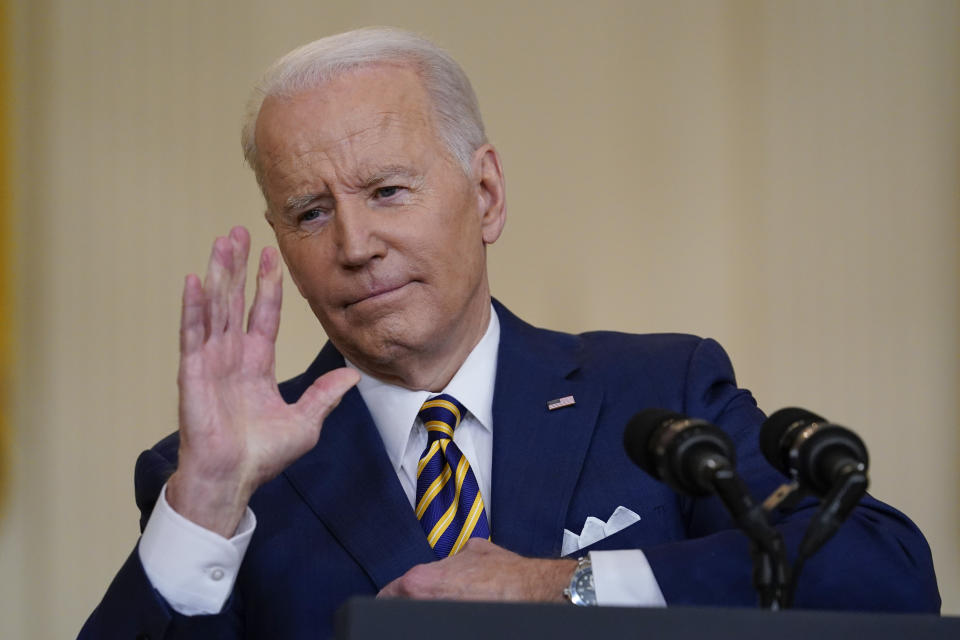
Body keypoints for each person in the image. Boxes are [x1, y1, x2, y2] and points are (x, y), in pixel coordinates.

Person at [79, 27, 939, 639]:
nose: (354, 245)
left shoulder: (656, 392)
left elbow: (883, 574)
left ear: (485, 195)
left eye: (387, 191)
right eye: (310, 212)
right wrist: (208, 502)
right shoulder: (212, 483)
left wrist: (560, 587)